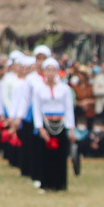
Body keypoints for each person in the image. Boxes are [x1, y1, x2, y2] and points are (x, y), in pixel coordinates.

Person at [31, 59, 76, 192]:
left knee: (60, 154)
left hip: (60, 123)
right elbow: (36, 109)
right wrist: (39, 127)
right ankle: (45, 183)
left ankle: (60, 184)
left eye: (53, 70)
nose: (50, 73)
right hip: (46, 123)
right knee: (45, 154)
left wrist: (71, 128)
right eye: (48, 70)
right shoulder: (39, 89)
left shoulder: (64, 89)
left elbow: (69, 108)